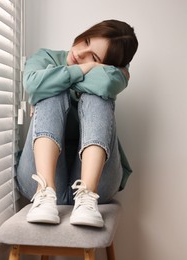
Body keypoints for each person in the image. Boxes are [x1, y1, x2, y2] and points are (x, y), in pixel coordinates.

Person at [16, 19, 138, 227]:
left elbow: (108, 82)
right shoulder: (45, 57)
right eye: (86, 40)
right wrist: (86, 69)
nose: (81, 54)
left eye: (93, 57)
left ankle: (87, 196)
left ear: (109, 65)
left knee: (98, 98)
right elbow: (32, 84)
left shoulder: (111, 75)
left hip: (99, 185)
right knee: (53, 93)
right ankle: (44, 192)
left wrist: (48, 82)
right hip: (37, 176)